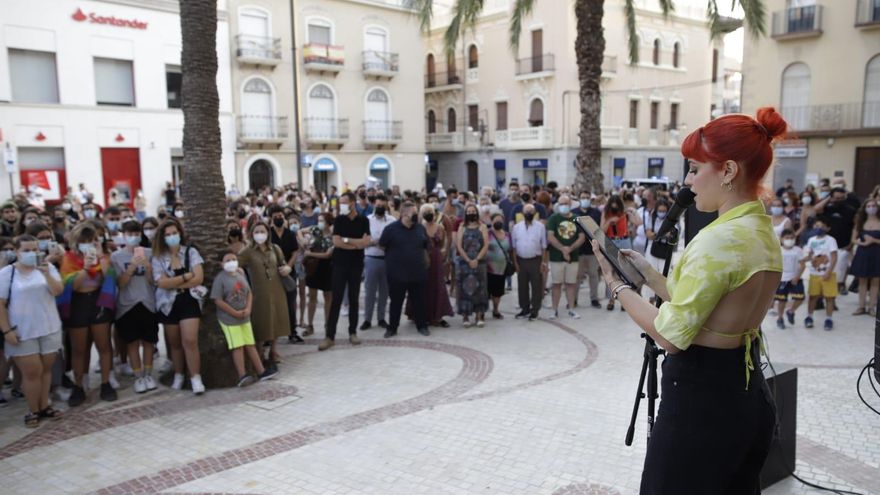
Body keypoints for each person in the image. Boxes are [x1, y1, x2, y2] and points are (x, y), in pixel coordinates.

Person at [592, 107, 787, 493]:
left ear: (728, 171)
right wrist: (649, 276)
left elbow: (670, 335)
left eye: (696, 168)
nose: (689, 180)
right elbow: (704, 308)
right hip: (747, 394)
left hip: (702, 403)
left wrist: (617, 286)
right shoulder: (760, 230)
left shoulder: (718, 239)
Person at [0, 235, 64, 427]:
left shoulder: (48, 268)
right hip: (22, 331)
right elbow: (1, 304)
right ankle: (33, 409)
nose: (31, 254)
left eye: (34, 250)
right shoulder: (7, 273)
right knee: (31, 372)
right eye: (26, 250)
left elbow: (58, 291)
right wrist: (6, 331)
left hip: (49, 327)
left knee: (45, 369)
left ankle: (44, 405)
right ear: (17, 252)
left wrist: (46, 274)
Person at [58, 224, 118, 405]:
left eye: (92, 240)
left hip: (98, 302)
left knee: (104, 345)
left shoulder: (103, 257)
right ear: (77, 242)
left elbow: (108, 277)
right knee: (79, 348)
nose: (88, 244)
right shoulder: (68, 259)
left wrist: (100, 258)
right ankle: (79, 386)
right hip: (78, 304)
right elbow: (72, 285)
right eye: (84, 241)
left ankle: (106, 383)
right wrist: (85, 268)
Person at [151, 218, 206, 394]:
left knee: (190, 340)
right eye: (167, 235)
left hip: (189, 301)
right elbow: (160, 283)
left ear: (180, 233)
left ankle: (195, 377)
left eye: (174, 233)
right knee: (174, 343)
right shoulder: (158, 257)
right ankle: (178, 374)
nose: (171, 237)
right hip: (168, 304)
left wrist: (174, 282)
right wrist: (185, 277)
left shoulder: (190, 252)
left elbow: (198, 278)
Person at [211, 251, 277, 387]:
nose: (231, 262)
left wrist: (248, 309)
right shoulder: (220, 279)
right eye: (228, 260)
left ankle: (261, 371)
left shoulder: (241, 274)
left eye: (234, 259)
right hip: (229, 320)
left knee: (250, 344)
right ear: (221, 264)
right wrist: (234, 313)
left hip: (244, 317)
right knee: (238, 346)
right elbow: (218, 300)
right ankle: (242, 375)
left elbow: (249, 293)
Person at [111, 220, 159, 394]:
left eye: (136, 234)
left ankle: (148, 374)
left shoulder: (150, 253)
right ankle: (138, 377)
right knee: (132, 343)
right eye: (130, 234)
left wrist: (147, 266)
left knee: (148, 342)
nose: (133, 237)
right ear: (123, 236)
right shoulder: (116, 257)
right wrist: (131, 267)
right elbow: (120, 284)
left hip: (148, 302)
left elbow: (154, 281)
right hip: (127, 305)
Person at [237, 221, 291, 369]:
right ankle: (259, 352)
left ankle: (273, 351)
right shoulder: (248, 250)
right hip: (259, 292)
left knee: (277, 319)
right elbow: (236, 264)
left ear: (268, 233)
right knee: (261, 321)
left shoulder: (275, 248)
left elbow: (283, 263)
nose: (260, 234)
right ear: (252, 234)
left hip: (277, 289)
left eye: (263, 231)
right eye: (257, 232)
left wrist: (287, 268)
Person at [320, 192, 370, 351]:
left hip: (356, 265)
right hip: (339, 264)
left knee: (354, 299)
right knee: (336, 300)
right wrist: (355, 243)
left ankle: (352, 332)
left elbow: (366, 243)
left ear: (353, 203)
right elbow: (337, 242)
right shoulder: (339, 220)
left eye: (344, 202)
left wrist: (347, 240)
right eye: (340, 202)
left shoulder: (363, 220)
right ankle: (330, 336)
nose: (341, 205)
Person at [379, 201, 430, 338]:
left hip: (417, 272)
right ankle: (392, 328)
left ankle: (422, 326)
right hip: (397, 274)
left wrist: (426, 265)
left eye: (417, 212)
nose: (416, 215)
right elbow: (382, 246)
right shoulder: (390, 229)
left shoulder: (420, 228)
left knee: (419, 301)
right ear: (403, 214)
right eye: (414, 213)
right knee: (396, 302)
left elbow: (425, 246)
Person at [410, 203, 454, 327]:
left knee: (437, 285)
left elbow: (443, 243)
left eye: (430, 211)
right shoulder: (419, 227)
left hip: (436, 257)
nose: (429, 214)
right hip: (423, 258)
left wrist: (444, 254)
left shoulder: (440, 228)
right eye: (426, 212)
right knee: (423, 286)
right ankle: (421, 314)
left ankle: (437, 315)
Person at [268, 206, 303, 344]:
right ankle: (271, 334)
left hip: (289, 273)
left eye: (280, 216)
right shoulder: (268, 234)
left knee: (290, 303)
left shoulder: (289, 234)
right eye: (275, 216)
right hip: (272, 274)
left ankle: (292, 332)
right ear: (271, 218)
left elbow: (295, 251)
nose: (278, 219)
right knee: (273, 305)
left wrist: (289, 266)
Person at [546, 195, 586, 320]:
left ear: (570, 204)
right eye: (561, 203)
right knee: (556, 284)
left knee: (571, 284)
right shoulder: (553, 218)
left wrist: (570, 248)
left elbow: (582, 237)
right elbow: (550, 236)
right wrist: (563, 249)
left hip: (573, 257)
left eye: (566, 203)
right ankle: (554, 309)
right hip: (556, 258)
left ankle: (571, 309)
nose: (563, 206)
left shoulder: (576, 219)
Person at [601, 195, 640, 310]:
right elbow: (601, 230)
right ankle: (611, 299)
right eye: (612, 207)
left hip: (624, 241)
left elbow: (638, 222)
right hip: (610, 242)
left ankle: (624, 301)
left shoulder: (625, 214)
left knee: (625, 272)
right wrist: (609, 221)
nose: (615, 210)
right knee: (611, 272)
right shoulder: (606, 213)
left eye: (617, 207)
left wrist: (633, 212)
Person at [816, 187, 857, 294]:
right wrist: (828, 199)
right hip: (827, 244)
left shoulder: (851, 209)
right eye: (837, 198)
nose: (839, 200)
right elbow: (816, 209)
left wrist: (851, 244)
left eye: (842, 198)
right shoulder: (828, 208)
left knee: (842, 267)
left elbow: (855, 227)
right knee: (825, 266)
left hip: (844, 243)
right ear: (832, 197)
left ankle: (841, 284)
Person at [511, 203, 548, 321]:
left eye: (531, 211)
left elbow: (544, 246)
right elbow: (514, 247)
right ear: (522, 213)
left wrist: (543, 262)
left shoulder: (540, 227)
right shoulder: (516, 228)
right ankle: (524, 308)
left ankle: (535, 309)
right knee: (522, 286)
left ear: (535, 213)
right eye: (526, 211)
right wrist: (515, 263)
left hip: (535, 259)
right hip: (521, 260)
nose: (528, 214)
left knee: (536, 286)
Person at [455, 203, 489, 327]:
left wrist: (477, 259)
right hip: (464, 262)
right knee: (464, 289)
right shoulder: (461, 227)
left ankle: (479, 315)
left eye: (472, 211)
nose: (470, 213)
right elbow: (459, 245)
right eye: (468, 211)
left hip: (480, 263)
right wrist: (468, 260)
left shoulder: (482, 227)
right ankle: (465, 316)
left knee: (480, 289)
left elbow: (486, 245)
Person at [361, 195, 392, 331]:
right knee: (370, 291)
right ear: (374, 205)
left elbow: (393, 241)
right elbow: (364, 241)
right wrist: (376, 242)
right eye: (377, 205)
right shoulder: (366, 220)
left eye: (382, 205)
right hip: (370, 259)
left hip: (387, 260)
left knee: (384, 292)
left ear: (386, 206)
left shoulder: (392, 221)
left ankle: (381, 318)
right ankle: (367, 319)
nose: (379, 207)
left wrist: (376, 242)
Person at [302, 212, 333, 336]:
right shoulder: (315, 230)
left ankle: (328, 325)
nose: (320, 222)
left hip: (327, 267)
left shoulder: (332, 235)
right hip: (313, 268)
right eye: (319, 220)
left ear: (328, 222)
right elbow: (300, 231)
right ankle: (310, 325)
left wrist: (310, 254)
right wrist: (303, 243)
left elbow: (328, 255)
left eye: (322, 220)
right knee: (312, 298)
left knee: (328, 298)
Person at [804, 218, 838, 330]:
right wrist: (801, 260)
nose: (819, 228)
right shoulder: (811, 240)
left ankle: (829, 319)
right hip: (814, 273)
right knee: (812, 296)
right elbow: (809, 255)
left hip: (828, 274)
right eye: (817, 225)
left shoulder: (831, 240)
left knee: (829, 298)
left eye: (822, 226)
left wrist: (828, 272)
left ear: (827, 228)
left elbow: (834, 257)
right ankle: (809, 317)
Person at [571, 192, 603, 308]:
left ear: (591, 199)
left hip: (592, 250)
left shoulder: (596, 213)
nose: (585, 199)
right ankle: (573, 299)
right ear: (579, 199)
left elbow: (599, 231)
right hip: (578, 251)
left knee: (593, 275)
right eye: (583, 198)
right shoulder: (573, 213)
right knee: (577, 276)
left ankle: (594, 299)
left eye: (587, 198)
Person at [850, 199, 880, 316]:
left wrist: (873, 240)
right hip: (863, 253)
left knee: (875, 281)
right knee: (862, 281)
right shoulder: (860, 222)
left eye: (873, 205)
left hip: (877, 253)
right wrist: (862, 243)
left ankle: (872, 307)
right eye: (869, 205)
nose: (871, 208)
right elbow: (853, 239)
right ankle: (861, 306)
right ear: (865, 208)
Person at [774, 229, 806, 329]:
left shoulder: (798, 250)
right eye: (787, 238)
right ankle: (780, 318)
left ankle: (791, 311)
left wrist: (797, 277)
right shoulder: (778, 250)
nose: (790, 240)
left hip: (795, 278)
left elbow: (802, 265)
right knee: (782, 300)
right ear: (782, 239)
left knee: (800, 297)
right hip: (782, 279)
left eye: (792, 238)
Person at [486, 212, 513, 319]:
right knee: (487, 290)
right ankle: (482, 311)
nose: (498, 222)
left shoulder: (507, 235)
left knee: (498, 291)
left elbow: (511, 250)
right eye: (496, 220)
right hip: (488, 268)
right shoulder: (487, 233)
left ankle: (496, 309)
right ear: (491, 221)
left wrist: (514, 262)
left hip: (502, 268)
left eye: (500, 220)